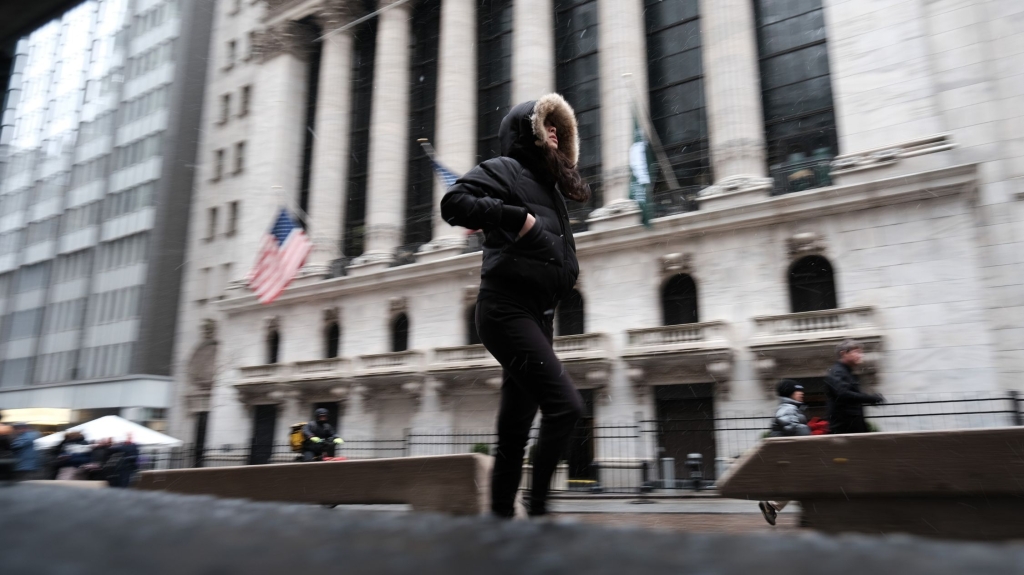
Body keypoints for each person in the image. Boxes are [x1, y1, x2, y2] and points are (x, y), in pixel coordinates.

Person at [441, 93, 589, 518]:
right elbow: (454, 204)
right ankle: (538, 509)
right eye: (548, 123)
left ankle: (501, 523)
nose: (555, 131)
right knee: (567, 407)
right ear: (531, 132)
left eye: (561, 126)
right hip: (505, 310)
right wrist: (516, 219)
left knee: (514, 434)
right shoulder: (507, 170)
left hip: (540, 317)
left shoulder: (552, 191)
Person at [758, 380, 811, 526]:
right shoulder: (786, 408)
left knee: (802, 483)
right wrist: (810, 435)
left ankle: (805, 515)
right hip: (786, 455)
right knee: (801, 482)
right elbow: (791, 428)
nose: (801, 393)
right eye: (798, 390)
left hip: (789, 454)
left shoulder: (792, 408)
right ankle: (772, 505)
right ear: (790, 393)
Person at [825, 339, 884, 435]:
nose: (861, 355)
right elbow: (843, 393)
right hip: (844, 428)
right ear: (844, 353)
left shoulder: (845, 371)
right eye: (857, 352)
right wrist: (871, 398)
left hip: (849, 427)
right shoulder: (838, 371)